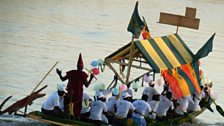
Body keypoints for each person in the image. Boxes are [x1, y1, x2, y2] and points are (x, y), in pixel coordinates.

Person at [56, 53, 94, 119]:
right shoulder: (83, 74)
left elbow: (62, 79)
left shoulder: (71, 72)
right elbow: (87, 85)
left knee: (67, 105)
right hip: (77, 94)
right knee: (77, 107)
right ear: (82, 67)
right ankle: (75, 118)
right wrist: (91, 78)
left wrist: (59, 74)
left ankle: (66, 116)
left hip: (69, 92)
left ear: (77, 66)